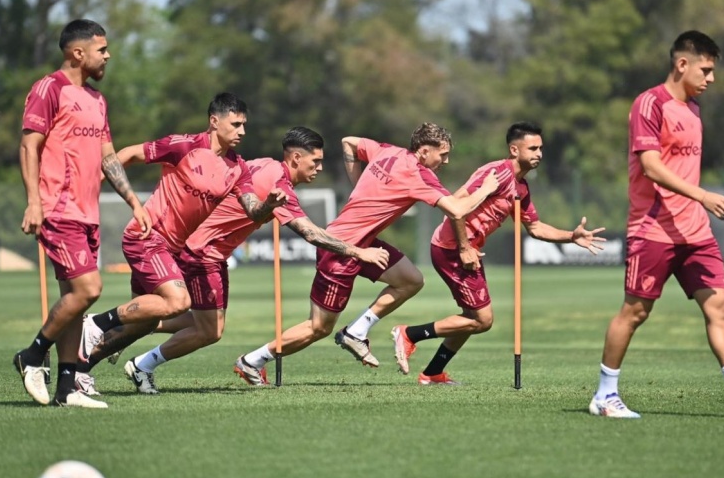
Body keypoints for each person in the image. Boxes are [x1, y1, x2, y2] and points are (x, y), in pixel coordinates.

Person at [81, 127, 389, 393]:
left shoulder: (263, 165)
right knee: (208, 331)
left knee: (198, 323)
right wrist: (358, 252)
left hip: (205, 252)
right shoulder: (278, 184)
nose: (319, 168)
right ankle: (136, 358)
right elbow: (310, 233)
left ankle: (130, 335)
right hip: (202, 254)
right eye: (316, 161)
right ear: (296, 158)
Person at [588, 30, 724, 419]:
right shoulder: (649, 104)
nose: (711, 78)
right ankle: (604, 395)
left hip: (695, 233)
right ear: (682, 64)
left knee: (721, 309)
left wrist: (698, 205)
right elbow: (650, 167)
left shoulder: (694, 110)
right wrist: (703, 195)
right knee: (635, 312)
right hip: (653, 229)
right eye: (706, 69)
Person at [233, 122, 500, 384]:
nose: (447, 161)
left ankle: (356, 331)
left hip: (363, 242)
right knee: (318, 327)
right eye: (443, 154)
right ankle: (252, 361)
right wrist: (486, 190)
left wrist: (358, 185)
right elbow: (456, 210)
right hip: (340, 249)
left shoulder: (387, 151)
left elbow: (348, 142)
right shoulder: (419, 174)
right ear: (424, 150)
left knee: (411, 280)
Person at [72, 93, 286, 394]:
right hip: (146, 237)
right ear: (214, 121)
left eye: (244, 125)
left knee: (143, 322)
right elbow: (127, 155)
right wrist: (93, 186)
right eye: (236, 124)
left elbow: (252, 209)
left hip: (169, 249)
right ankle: (95, 323)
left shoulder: (238, 168)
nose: (242, 132)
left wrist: (269, 206)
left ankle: (79, 371)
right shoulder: (183, 145)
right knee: (179, 303)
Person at [391, 122, 606, 384]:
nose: (539, 153)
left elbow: (535, 228)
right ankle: (409, 334)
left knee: (471, 317)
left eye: (541, 148)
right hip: (452, 249)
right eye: (533, 148)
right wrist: (464, 247)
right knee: (482, 320)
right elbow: (455, 206)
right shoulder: (496, 173)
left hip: (467, 250)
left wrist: (571, 237)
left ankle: (433, 373)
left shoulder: (522, 187)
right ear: (514, 150)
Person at [13, 19, 151, 409]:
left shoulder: (97, 100)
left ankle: (66, 389)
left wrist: (134, 202)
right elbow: (29, 146)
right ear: (78, 53)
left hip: (87, 213)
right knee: (89, 289)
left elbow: (109, 158)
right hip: (57, 208)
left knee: (76, 299)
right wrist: (34, 201)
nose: (108, 55)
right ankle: (33, 354)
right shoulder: (49, 88)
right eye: (102, 49)